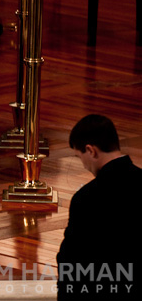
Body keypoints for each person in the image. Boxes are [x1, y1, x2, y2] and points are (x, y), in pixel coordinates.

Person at [56, 114, 141, 300]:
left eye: (80, 158)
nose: (85, 166)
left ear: (91, 150)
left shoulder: (86, 198)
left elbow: (71, 261)